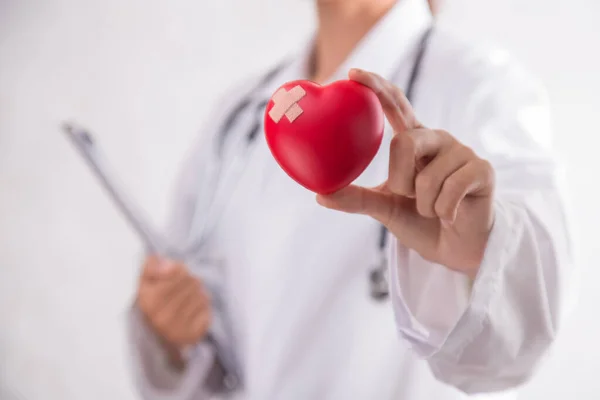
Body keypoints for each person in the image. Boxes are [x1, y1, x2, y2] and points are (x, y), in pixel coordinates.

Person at [127, 0, 575, 399]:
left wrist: (482, 253)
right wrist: (171, 333)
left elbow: (523, 332)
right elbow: (206, 346)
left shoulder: (480, 86)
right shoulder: (241, 114)